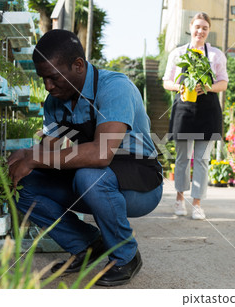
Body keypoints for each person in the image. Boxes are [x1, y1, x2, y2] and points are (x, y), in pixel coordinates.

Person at [8, 30, 163, 286]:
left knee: (90, 175)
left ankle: (126, 256)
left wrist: (34, 158)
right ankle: (87, 244)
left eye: (53, 77)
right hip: (93, 180)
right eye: (43, 78)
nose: (47, 86)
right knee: (24, 183)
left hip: (140, 184)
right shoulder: (54, 102)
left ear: (78, 65)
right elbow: (49, 152)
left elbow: (101, 153)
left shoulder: (115, 88)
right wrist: (27, 156)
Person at [162, 12, 228, 220]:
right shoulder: (178, 53)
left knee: (201, 159)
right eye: (197, 26)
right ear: (190, 28)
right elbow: (166, 81)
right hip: (183, 109)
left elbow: (223, 83)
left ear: (208, 31)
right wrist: (181, 86)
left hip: (208, 111)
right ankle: (180, 199)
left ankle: (197, 203)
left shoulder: (216, 55)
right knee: (182, 158)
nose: (200, 31)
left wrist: (207, 86)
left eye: (205, 28)